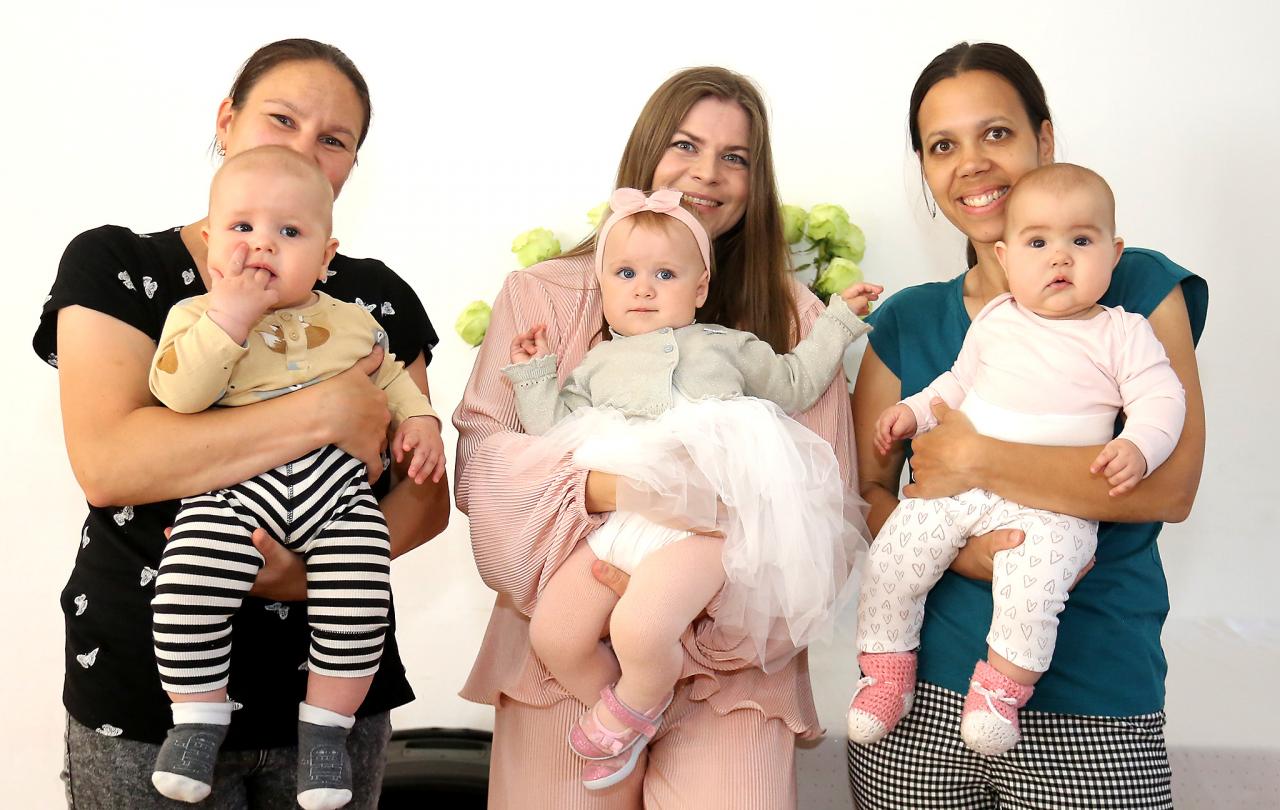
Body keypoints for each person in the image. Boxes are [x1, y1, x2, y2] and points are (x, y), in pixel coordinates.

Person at [35, 39, 449, 808]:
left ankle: (324, 718)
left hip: (337, 692)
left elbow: (424, 499)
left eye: (334, 139)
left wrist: (303, 574)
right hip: (145, 702)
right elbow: (111, 463)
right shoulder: (122, 268)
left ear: (351, 169)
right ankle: (201, 710)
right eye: (281, 119)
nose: (303, 148)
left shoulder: (371, 300)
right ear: (226, 121)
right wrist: (324, 410)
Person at [454, 67, 858, 809]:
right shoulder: (542, 295)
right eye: (685, 145)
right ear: (646, 151)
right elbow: (486, 469)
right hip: (563, 643)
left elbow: (821, 510)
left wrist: (684, 616)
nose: (707, 173)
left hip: (735, 666)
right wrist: (627, 493)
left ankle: (644, 687)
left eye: (735, 157)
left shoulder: (793, 320)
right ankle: (618, 707)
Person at [846, 42, 1207, 809]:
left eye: (996, 133)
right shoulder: (907, 321)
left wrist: (977, 460)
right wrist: (966, 554)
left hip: (1095, 699)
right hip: (914, 707)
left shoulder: (1133, 287)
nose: (971, 163)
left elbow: (1170, 487)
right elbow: (863, 495)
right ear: (925, 171)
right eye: (943, 146)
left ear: (1044, 139)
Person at [504, 187, 877, 790]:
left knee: (640, 627)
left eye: (665, 274)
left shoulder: (728, 346)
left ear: (700, 289)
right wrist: (533, 376)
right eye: (626, 274)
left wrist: (836, 323)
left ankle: (628, 711)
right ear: (603, 284)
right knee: (553, 632)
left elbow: (795, 383)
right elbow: (555, 435)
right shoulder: (596, 365)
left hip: (708, 524)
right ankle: (629, 712)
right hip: (624, 519)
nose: (644, 289)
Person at [146, 146, 445, 809]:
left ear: (325, 255)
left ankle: (327, 733)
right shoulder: (193, 318)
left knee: (360, 596)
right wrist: (231, 316)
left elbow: (392, 381)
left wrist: (421, 422)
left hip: (337, 493)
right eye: (242, 227)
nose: (262, 245)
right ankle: (196, 719)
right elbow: (181, 396)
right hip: (236, 491)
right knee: (186, 580)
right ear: (209, 241)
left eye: (289, 231)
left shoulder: (353, 321)